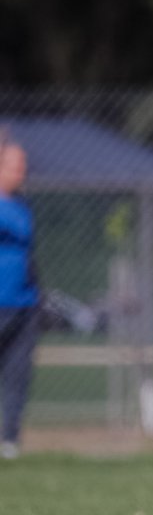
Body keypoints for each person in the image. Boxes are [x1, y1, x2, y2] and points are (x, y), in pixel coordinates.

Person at [0, 140, 38, 460]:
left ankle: (9, 440)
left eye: (23, 165)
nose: (21, 171)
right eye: (14, 165)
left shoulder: (22, 204)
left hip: (24, 303)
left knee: (17, 374)